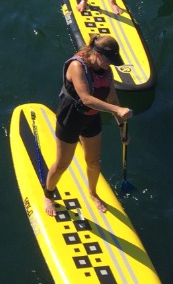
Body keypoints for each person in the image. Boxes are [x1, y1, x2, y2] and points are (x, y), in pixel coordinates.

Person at [43, 35, 134, 216]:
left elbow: (113, 98)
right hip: (70, 118)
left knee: (93, 162)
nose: (110, 65)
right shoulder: (77, 66)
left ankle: (92, 193)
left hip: (92, 118)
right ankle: (48, 195)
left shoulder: (106, 70)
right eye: (108, 60)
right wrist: (117, 109)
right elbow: (86, 98)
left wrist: (122, 128)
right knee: (62, 164)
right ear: (97, 54)